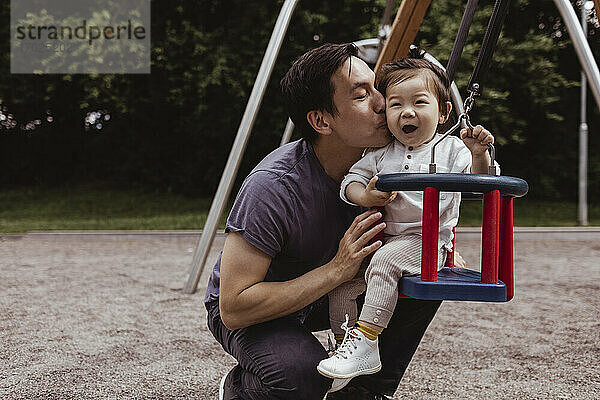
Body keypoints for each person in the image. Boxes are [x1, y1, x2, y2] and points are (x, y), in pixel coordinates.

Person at [205, 43, 444, 400]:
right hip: (258, 311)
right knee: (303, 377)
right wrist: (337, 270)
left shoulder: (387, 164)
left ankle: (364, 392)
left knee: (424, 272)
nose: (383, 102)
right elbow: (235, 307)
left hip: (329, 296)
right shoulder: (273, 187)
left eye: (376, 87)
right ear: (321, 121)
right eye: (362, 96)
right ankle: (240, 388)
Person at [317, 49, 495, 386]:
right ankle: (345, 348)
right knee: (344, 283)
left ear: (443, 113)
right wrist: (366, 195)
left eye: (419, 103)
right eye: (396, 104)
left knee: (383, 262)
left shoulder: (451, 149)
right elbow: (351, 182)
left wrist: (478, 153)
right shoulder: (382, 152)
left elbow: (482, 183)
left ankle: (366, 340)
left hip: (426, 244)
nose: (407, 111)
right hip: (387, 240)